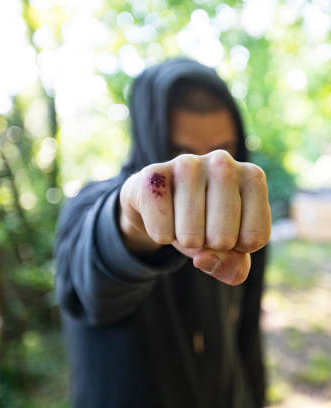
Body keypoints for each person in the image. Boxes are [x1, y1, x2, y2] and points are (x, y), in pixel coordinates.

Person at [54, 57, 271, 408]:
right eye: (179, 155)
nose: (204, 174)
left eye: (222, 153)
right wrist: (132, 221)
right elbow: (89, 285)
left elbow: (247, 331)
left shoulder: (242, 215)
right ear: (148, 137)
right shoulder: (88, 206)